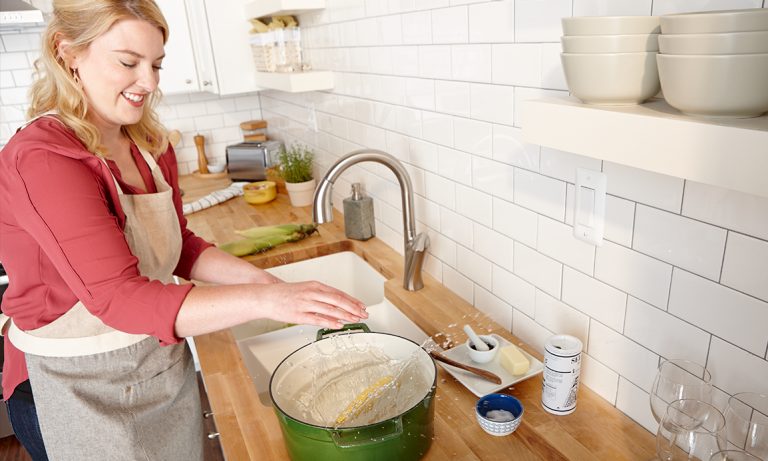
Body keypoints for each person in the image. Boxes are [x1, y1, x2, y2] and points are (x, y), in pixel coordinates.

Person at [0, 1, 367, 460]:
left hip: (155, 363)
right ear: (68, 51)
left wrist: (264, 283)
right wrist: (268, 300)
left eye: (156, 64)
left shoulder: (146, 141)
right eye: (128, 62)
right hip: (77, 384)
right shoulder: (44, 158)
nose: (149, 83)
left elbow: (178, 247)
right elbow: (119, 298)